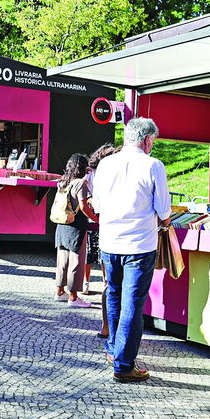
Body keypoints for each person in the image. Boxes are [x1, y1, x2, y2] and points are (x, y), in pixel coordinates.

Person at [92, 117, 171, 383]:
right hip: (139, 245)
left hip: (110, 241)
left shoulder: (105, 163)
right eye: (153, 141)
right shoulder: (153, 166)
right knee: (132, 304)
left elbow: (98, 204)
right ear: (147, 139)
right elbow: (164, 210)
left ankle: (115, 351)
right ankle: (124, 365)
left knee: (114, 295)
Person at [53, 153, 99, 308]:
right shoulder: (80, 184)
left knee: (62, 260)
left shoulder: (63, 181)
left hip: (62, 224)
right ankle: (73, 297)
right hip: (76, 226)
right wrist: (98, 220)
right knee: (76, 262)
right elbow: (84, 207)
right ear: (82, 166)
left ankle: (59, 291)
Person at [85, 143, 119, 339]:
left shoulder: (97, 173)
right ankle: (109, 327)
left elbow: (96, 204)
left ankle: (106, 326)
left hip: (105, 229)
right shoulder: (108, 174)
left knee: (109, 282)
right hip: (112, 230)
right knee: (111, 282)